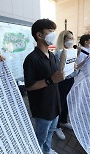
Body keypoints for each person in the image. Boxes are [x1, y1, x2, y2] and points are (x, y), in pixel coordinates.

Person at [23, 19, 64, 154]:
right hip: (42, 107)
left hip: (54, 103)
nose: (53, 34)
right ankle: (38, 150)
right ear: (39, 35)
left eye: (54, 31)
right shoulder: (31, 59)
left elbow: (55, 77)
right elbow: (29, 86)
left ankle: (47, 150)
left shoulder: (51, 55)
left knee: (51, 131)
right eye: (50, 31)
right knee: (40, 137)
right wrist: (50, 80)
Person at [54, 30, 77, 140]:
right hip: (61, 82)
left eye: (72, 38)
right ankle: (57, 126)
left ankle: (63, 121)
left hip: (70, 79)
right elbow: (60, 70)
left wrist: (75, 67)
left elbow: (73, 67)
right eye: (69, 38)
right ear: (63, 39)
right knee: (60, 103)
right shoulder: (59, 52)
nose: (71, 40)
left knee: (67, 101)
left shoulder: (72, 51)